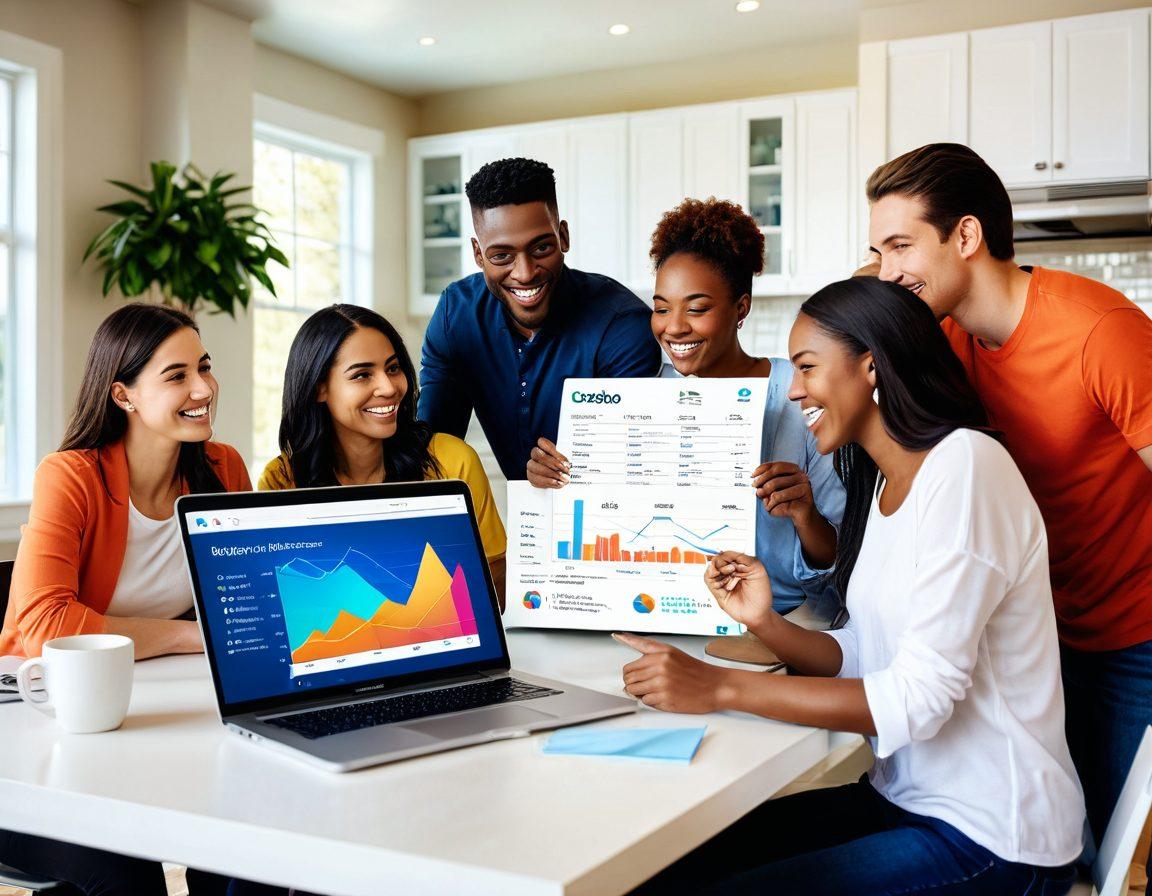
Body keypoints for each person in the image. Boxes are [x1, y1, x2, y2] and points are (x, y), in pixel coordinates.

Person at [616, 278, 1085, 895]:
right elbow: (867, 652)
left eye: (808, 366)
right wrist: (766, 623)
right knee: (673, 859)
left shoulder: (966, 468)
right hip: (905, 801)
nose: (793, 388)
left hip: (996, 837)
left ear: (870, 365)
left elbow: (918, 700)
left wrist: (720, 687)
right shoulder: (885, 485)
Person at [865, 142, 1152, 878]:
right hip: (1036, 635)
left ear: (966, 235)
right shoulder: (943, 338)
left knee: (1113, 862)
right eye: (877, 249)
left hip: (1133, 636)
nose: (888, 269)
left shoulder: (1099, 331)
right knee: (1055, 842)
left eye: (901, 245)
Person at [0, 304, 281, 895]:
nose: (204, 387)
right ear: (123, 395)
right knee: (128, 877)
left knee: (246, 841)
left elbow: (251, 606)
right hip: (41, 733)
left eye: (203, 366)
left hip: (152, 715)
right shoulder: (70, 475)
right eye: (176, 376)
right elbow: (45, 628)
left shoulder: (223, 467)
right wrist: (191, 637)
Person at [529, 197, 844, 620]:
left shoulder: (800, 392)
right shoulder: (636, 398)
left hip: (782, 621)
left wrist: (804, 514)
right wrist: (552, 480)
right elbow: (601, 527)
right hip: (666, 616)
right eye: (660, 308)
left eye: (696, 308)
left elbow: (840, 555)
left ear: (741, 308)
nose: (674, 326)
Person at [418, 157, 662, 482]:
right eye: (501, 255)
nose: (525, 273)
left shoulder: (621, 326)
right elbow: (434, 448)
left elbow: (629, 463)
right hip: (523, 518)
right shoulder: (456, 314)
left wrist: (569, 472)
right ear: (478, 255)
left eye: (541, 248)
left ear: (563, 236)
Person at [258, 304, 507, 604]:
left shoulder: (454, 460)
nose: (388, 387)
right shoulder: (282, 479)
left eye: (393, 368)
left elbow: (495, 584)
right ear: (318, 388)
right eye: (363, 375)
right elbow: (287, 602)